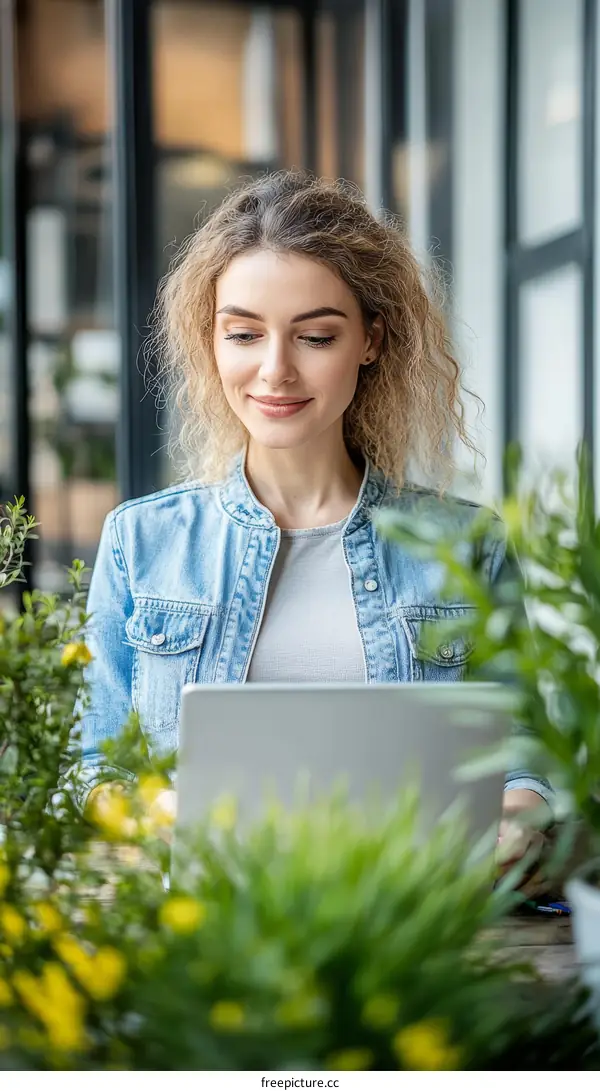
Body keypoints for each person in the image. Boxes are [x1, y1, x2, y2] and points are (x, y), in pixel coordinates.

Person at [80, 170, 552, 872]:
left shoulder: (467, 548)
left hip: (411, 925)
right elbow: (92, 769)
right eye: (243, 333)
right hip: (198, 933)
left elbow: (522, 763)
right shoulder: (139, 542)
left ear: (370, 340)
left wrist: (516, 825)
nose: (275, 371)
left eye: (316, 337)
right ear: (210, 341)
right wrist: (170, 823)